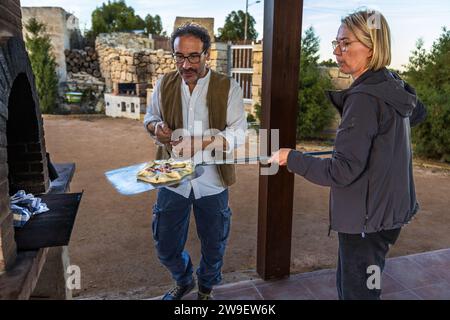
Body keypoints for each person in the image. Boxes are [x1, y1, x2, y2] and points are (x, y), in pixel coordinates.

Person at [269, 9, 427, 300]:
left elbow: (341, 171)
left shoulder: (364, 98)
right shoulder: (391, 84)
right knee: (370, 283)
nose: (337, 51)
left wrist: (290, 157)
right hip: (387, 216)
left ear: (372, 47)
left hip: (366, 223)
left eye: (346, 43)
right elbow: (416, 114)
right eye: (336, 43)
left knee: (358, 292)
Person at [144, 23, 247, 300]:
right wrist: (157, 129)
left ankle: (205, 288)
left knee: (214, 246)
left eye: (193, 56)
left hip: (213, 182)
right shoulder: (164, 83)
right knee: (165, 245)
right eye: (179, 56)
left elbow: (238, 133)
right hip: (171, 179)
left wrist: (199, 143)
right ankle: (184, 278)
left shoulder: (229, 87)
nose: (185, 64)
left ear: (207, 54)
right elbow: (149, 118)